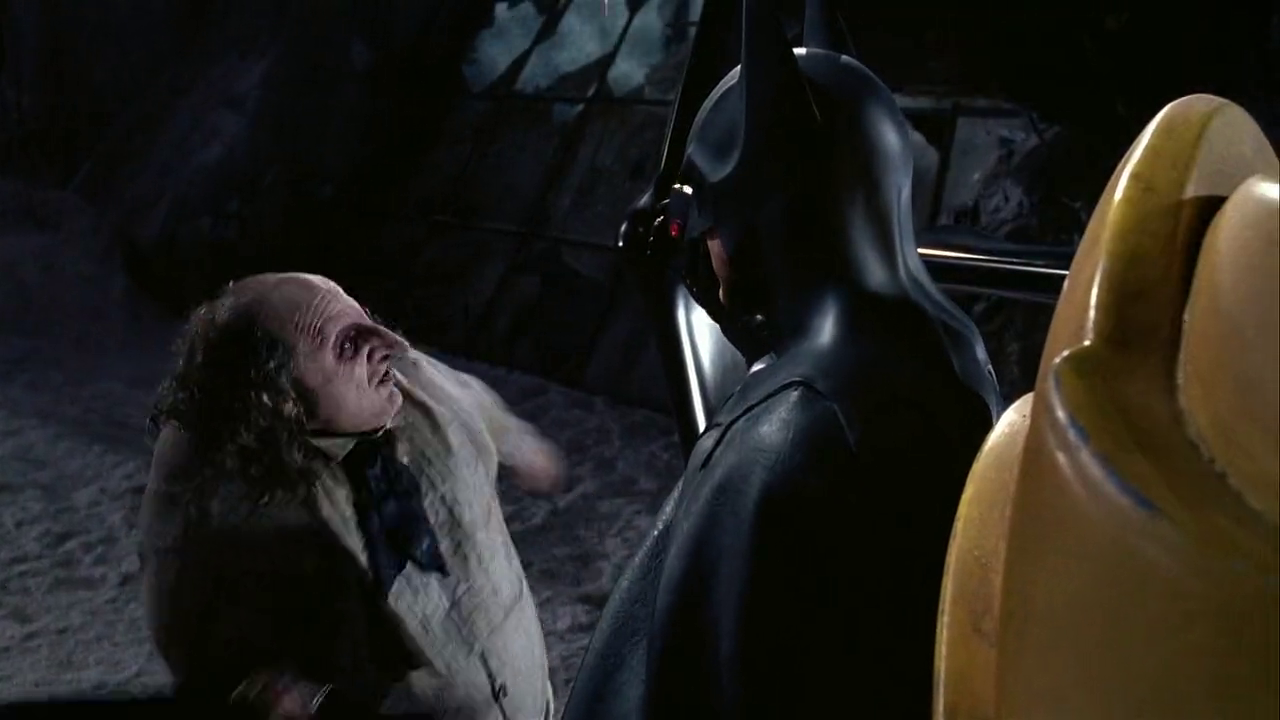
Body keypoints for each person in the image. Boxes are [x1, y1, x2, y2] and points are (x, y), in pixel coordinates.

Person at [561, 2, 1001, 719]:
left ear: (757, 211)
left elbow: (690, 672)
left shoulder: (784, 438)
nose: (702, 241)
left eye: (710, 221)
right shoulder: (951, 349)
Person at [139, 272, 564, 719]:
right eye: (346, 345)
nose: (392, 344)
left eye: (366, 319)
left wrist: (521, 444)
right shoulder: (219, 503)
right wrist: (254, 686)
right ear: (279, 399)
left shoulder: (417, 381)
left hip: (525, 692)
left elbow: (474, 402)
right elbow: (188, 630)